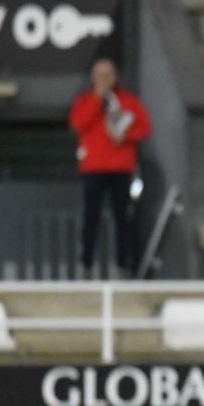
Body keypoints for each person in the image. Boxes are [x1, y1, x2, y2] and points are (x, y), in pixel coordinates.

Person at [70, 58, 153, 276]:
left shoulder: (128, 102)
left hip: (121, 168)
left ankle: (123, 265)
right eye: (99, 75)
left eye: (108, 75)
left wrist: (126, 136)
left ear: (115, 77)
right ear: (92, 78)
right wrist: (97, 98)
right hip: (93, 168)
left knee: (122, 217)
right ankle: (86, 264)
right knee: (91, 216)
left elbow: (144, 127)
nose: (104, 80)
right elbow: (78, 124)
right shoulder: (85, 100)